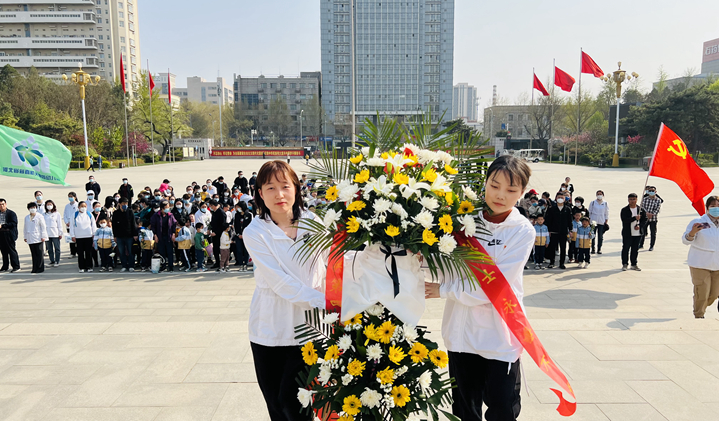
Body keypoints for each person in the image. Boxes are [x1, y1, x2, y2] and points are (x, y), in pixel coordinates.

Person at [425, 155, 534, 421]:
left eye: (511, 190)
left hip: (500, 334)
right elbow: (444, 267)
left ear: (521, 193)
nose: (500, 195)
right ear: (485, 183)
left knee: (502, 409)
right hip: (462, 333)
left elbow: (496, 287)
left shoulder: (522, 231)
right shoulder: (461, 222)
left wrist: (444, 290)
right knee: (465, 410)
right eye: (494, 185)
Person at [243, 160, 327, 420]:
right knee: (278, 407)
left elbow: (334, 263)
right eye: (270, 188)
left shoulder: (314, 223)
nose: (279, 194)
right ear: (260, 193)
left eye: (284, 186)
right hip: (271, 330)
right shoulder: (255, 232)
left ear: (296, 188)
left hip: (310, 330)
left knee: (299, 406)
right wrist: (327, 301)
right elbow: (279, 282)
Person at [682, 196, 719, 318]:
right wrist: (692, 233)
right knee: (702, 292)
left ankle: (701, 306)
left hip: (717, 265)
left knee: (714, 294)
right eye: (713, 206)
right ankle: (699, 315)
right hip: (700, 263)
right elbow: (686, 240)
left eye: (718, 206)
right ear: (707, 208)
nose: (716, 209)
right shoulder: (697, 222)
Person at [544, 192, 573, 269]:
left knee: (563, 248)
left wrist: (570, 230)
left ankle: (562, 263)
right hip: (553, 231)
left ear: (565, 199)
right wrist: (549, 230)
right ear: (556, 198)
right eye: (559, 197)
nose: (560, 199)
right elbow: (548, 220)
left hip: (563, 232)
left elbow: (569, 221)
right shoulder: (551, 209)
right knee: (552, 247)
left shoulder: (567, 209)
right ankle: (552, 262)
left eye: (562, 198)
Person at [620, 193, 646, 271]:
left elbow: (645, 220)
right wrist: (634, 218)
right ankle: (625, 264)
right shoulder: (624, 210)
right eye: (631, 199)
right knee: (626, 248)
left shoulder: (640, 209)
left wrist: (640, 226)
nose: (632, 201)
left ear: (636, 200)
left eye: (634, 199)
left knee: (635, 249)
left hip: (637, 233)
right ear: (628, 200)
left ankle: (634, 264)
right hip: (628, 233)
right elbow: (624, 220)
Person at [112, 198, 137, 272]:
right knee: (121, 251)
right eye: (123, 204)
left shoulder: (130, 212)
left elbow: (133, 224)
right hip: (120, 236)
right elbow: (114, 225)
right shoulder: (116, 213)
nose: (125, 205)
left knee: (130, 251)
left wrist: (135, 234)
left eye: (126, 204)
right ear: (119, 204)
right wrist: (115, 236)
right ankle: (124, 265)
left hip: (129, 235)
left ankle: (131, 265)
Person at [151, 201, 177, 272]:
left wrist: (173, 234)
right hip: (160, 236)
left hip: (169, 236)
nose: (168, 209)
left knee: (170, 252)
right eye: (166, 207)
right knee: (162, 252)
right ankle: (163, 266)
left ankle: (171, 266)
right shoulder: (156, 215)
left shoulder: (170, 215)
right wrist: (155, 235)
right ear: (162, 208)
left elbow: (174, 224)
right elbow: (153, 226)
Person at [69, 201, 95, 273]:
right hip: (79, 237)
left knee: (88, 252)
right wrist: (72, 235)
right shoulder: (74, 215)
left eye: (85, 206)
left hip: (88, 236)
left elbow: (93, 225)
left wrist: (94, 233)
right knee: (80, 253)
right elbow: (72, 226)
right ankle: (81, 267)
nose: (83, 208)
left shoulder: (89, 214)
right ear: (78, 207)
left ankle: (89, 266)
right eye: (82, 206)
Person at [24, 202, 48, 274]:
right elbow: (25, 227)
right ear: (28, 209)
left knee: (39, 253)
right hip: (30, 237)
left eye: (34, 208)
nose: (33, 209)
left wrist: (43, 236)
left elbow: (43, 227)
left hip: (38, 237)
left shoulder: (40, 216)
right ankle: (34, 268)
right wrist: (25, 236)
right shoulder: (27, 217)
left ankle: (40, 268)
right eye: (31, 208)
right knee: (33, 254)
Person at [0, 199, 20, 273]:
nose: (1, 206)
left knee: (11, 250)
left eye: (3, 204)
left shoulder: (11, 213)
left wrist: (2, 226)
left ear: (6, 204)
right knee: (3, 251)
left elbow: (13, 223)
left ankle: (16, 266)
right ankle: (5, 266)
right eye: (0, 205)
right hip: (1, 234)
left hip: (8, 234)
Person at [639, 186, 661, 251]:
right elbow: (642, 207)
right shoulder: (645, 199)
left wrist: (651, 214)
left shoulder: (658, 200)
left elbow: (657, 209)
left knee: (653, 233)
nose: (651, 192)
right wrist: (646, 213)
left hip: (653, 219)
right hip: (645, 218)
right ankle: (641, 244)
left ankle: (651, 246)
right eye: (650, 191)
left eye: (652, 191)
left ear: (655, 192)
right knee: (642, 232)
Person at [43, 200, 63, 267]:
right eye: (47, 204)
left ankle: (57, 261)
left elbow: (59, 224)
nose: (49, 206)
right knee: (49, 249)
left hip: (55, 233)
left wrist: (60, 233)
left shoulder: (57, 214)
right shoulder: (44, 214)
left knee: (57, 248)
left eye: (50, 204)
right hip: (47, 234)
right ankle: (52, 260)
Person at [588, 190, 609, 254]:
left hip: (601, 221)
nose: (599, 195)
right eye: (598, 194)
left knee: (600, 236)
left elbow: (606, 212)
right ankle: (593, 248)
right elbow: (589, 211)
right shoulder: (593, 203)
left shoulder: (605, 203)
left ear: (603, 195)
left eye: (600, 194)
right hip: (593, 221)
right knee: (593, 235)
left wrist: (606, 220)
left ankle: (599, 248)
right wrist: (589, 220)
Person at [234, 201, 253, 271]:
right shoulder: (236, 215)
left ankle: (245, 264)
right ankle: (241, 264)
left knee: (246, 251)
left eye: (239, 207)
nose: (238, 208)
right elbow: (236, 225)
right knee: (239, 250)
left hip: (246, 236)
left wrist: (245, 234)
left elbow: (251, 226)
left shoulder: (249, 214)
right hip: (239, 236)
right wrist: (238, 234)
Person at [209, 199, 228, 268]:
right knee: (215, 249)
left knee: (222, 249)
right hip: (214, 233)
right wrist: (210, 229)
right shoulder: (214, 212)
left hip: (220, 234)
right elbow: (213, 222)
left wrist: (216, 232)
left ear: (213, 205)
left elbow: (223, 225)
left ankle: (224, 262)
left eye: (210, 206)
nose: (210, 207)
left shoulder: (221, 212)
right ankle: (217, 262)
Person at [63, 192, 79, 259]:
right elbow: (65, 215)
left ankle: (78, 251)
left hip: (76, 225)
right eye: (69, 196)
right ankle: (72, 253)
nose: (70, 198)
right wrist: (66, 222)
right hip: (69, 225)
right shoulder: (67, 206)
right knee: (71, 239)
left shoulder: (78, 205)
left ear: (75, 197)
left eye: (71, 196)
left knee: (77, 239)